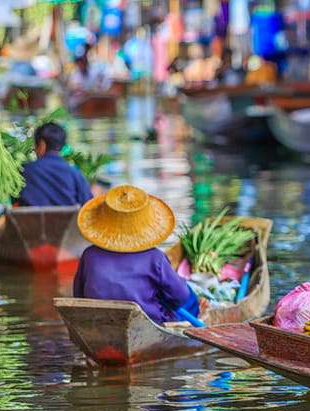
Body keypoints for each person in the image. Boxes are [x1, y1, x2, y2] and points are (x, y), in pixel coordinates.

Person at [73, 185, 201, 325]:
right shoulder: (155, 258)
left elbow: (79, 294)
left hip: (98, 320)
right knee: (190, 297)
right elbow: (181, 295)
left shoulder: (89, 255)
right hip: (150, 321)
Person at [16, 123, 93, 207]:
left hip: (31, 220)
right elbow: (88, 205)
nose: (34, 149)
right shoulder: (75, 173)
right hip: (67, 220)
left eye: (35, 145)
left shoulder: (25, 171)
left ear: (42, 145)